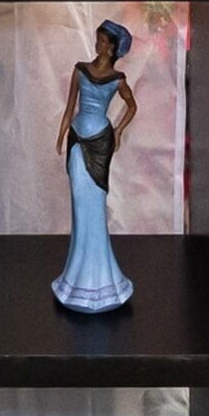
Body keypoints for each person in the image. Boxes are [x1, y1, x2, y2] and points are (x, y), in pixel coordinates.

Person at [51, 19, 139, 313]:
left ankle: (100, 281)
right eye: (98, 39)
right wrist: (62, 134)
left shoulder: (117, 79)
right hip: (78, 137)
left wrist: (119, 130)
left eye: (103, 42)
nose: (98, 45)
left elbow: (132, 105)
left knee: (95, 203)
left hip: (101, 142)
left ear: (112, 48)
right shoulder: (80, 70)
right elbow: (69, 106)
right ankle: (76, 275)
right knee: (79, 200)